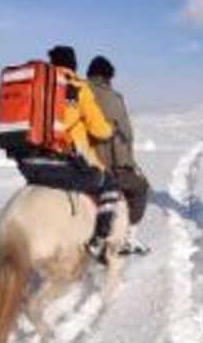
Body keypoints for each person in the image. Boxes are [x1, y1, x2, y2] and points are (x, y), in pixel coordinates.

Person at [8, 45, 121, 261]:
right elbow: (100, 130)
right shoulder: (79, 89)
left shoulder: (37, 90)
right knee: (109, 184)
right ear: (74, 65)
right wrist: (110, 131)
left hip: (26, 164)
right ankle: (99, 242)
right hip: (61, 163)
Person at [86, 56, 152, 255]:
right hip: (106, 164)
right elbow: (126, 134)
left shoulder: (77, 92)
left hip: (76, 162)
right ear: (108, 76)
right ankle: (126, 239)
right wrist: (127, 163)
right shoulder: (111, 97)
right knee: (140, 188)